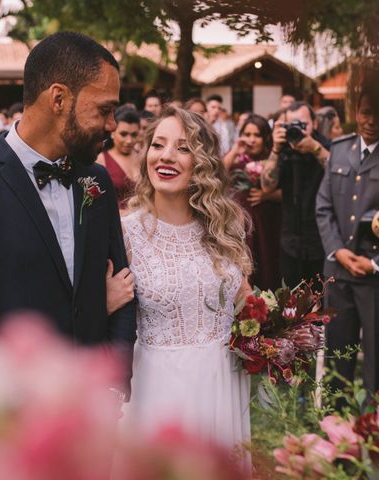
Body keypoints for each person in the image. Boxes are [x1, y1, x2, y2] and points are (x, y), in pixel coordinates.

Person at [0, 31, 136, 397]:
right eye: (104, 109)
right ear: (59, 98)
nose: (112, 125)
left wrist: (113, 380)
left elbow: (122, 283)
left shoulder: (96, 180)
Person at [122, 106, 253, 469]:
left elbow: (247, 300)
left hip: (224, 380)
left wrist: (279, 333)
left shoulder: (228, 228)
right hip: (160, 389)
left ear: (204, 161)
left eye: (183, 147)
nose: (166, 156)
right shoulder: (125, 234)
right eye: (158, 145)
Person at [315, 90, 379, 394]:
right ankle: (335, 422)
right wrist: (338, 251)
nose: (371, 121)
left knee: (377, 357)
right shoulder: (341, 150)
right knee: (337, 355)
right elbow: (323, 206)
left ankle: (376, 424)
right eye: (366, 112)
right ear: (355, 112)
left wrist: (375, 263)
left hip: (376, 275)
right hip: (339, 271)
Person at [262, 101, 330, 289]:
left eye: (303, 124)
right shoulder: (283, 149)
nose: (298, 130)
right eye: (293, 125)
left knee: (322, 304)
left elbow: (340, 177)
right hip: (291, 242)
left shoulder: (326, 146)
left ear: (314, 124)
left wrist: (314, 148)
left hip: (322, 240)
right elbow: (267, 186)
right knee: (290, 303)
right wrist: (275, 149)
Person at [224, 114, 283, 290]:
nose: (251, 140)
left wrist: (267, 195)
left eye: (256, 135)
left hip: (267, 219)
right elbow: (218, 175)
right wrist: (235, 150)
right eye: (247, 134)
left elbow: (290, 193)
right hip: (241, 222)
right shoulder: (236, 158)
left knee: (267, 261)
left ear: (265, 137)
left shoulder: (274, 158)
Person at [97, 107, 140, 209]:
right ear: (112, 133)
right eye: (123, 134)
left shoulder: (143, 157)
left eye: (134, 135)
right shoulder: (101, 159)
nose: (129, 140)